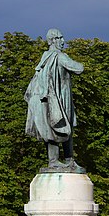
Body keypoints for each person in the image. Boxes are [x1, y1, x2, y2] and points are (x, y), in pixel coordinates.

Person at [25, 28, 85, 172]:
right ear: (53, 40)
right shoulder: (59, 56)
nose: (63, 41)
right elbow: (78, 68)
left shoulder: (44, 58)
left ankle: (54, 161)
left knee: (52, 129)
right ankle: (67, 160)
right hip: (60, 97)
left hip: (47, 99)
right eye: (60, 38)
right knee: (64, 127)